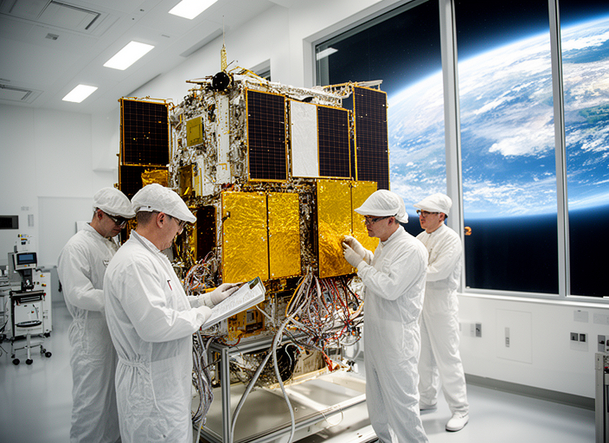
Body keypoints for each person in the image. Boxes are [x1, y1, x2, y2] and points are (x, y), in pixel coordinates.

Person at [103, 183, 238, 443]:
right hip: (151, 393)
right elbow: (156, 325)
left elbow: (170, 305)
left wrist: (208, 299)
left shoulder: (152, 257)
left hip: (163, 383)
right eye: (180, 224)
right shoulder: (135, 263)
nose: (180, 232)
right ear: (162, 219)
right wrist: (203, 315)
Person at [342, 189, 429, 443]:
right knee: (377, 403)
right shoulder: (385, 244)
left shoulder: (411, 249)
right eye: (366, 219)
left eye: (372, 219)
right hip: (377, 335)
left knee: (403, 407)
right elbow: (382, 269)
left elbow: (390, 287)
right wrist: (363, 254)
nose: (367, 224)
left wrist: (359, 265)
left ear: (392, 220)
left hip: (397, 340)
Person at [57, 186, 135, 443]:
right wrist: (119, 300)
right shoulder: (77, 247)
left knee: (114, 401)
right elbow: (78, 293)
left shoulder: (111, 245)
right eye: (117, 220)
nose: (121, 226)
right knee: (91, 406)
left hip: (114, 336)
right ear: (99, 214)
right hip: (91, 339)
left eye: (125, 221)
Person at [414, 193, 469, 432]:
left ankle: (460, 410)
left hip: (442, 306)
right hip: (421, 303)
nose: (422, 216)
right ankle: (427, 399)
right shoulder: (420, 237)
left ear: (441, 216)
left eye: (427, 212)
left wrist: (409, 273)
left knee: (448, 359)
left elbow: (439, 271)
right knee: (423, 357)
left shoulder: (451, 239)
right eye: (421, 212)